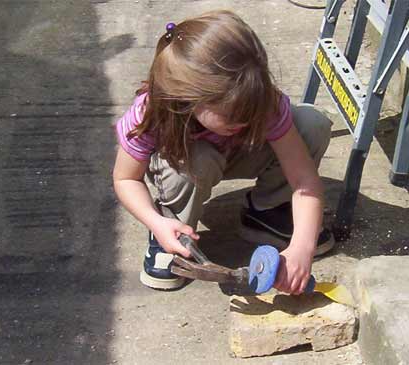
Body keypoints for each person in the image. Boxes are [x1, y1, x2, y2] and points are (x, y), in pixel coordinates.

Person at [112, 10, 334, 294]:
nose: (245, 121)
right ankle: (174, 229)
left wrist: (302, 247)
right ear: (192, 99)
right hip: (189, 164)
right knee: (199, 159)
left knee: (311, 124)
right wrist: (156, 222)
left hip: (242, 154)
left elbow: (304, 180)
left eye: (252, 113)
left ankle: (267, 212)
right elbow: (126, 179)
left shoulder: (260, 99)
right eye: (233, 117)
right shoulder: (153, 111)